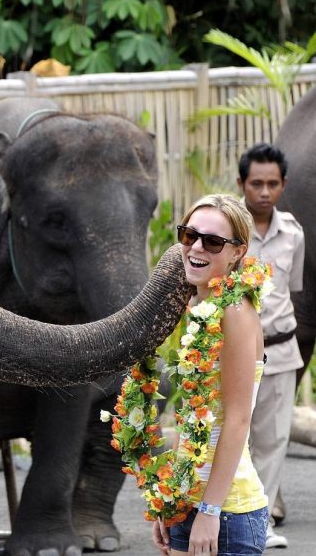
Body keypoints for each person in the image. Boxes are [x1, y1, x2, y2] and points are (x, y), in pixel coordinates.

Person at [152, 194, 269, 556]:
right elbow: (190, 416)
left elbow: (236, 420)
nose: (197, 247)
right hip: (189, 504)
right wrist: (169, 499)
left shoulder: (234, 310)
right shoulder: (198, 306)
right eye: (189, 235)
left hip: (228, 512)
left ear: (238, 251)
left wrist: (209, 510)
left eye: (213, 241)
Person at [237, 143, 304, 549]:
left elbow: (289, 291)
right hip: (234, 353)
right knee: (230, 435)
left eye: (272, 184)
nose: (264, 192)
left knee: (273, 441)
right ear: (241, 183)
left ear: (283, 185)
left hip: (280, 352)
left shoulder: (293, 233)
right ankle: (228, 517)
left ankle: (258, 524)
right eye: (256, 183)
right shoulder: (227, 234)